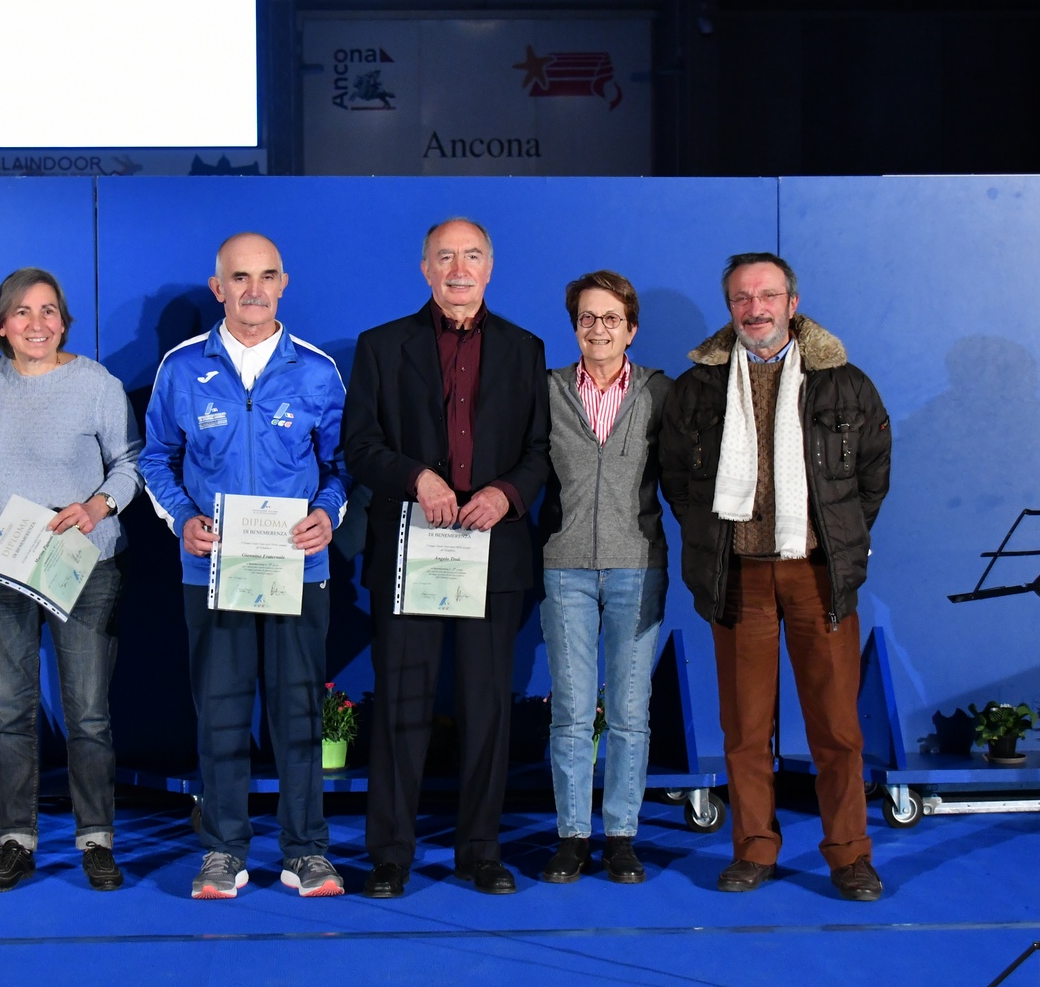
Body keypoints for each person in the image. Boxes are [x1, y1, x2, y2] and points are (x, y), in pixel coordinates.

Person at [661, 252, 891, 901]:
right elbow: (678, 481)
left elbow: (872, 477)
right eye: (741, 298)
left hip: (817, 574)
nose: (755, 309)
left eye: (767, 296)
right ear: (729, 308)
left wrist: (833, 538)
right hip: (737, 577)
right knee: (744, 729)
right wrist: (717, 540)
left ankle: (850, 855)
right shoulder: (696, 388)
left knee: (837, 728)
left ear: (793, 303)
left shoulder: (845, 383)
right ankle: (754, 849)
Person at [344, 218, 550, 897]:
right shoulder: (381, 346)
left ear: (490, 267)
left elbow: (540, 450)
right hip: (410, 550)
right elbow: (360, 445)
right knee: (401, 705)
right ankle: (390, 854)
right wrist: (416, 478)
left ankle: (480, 851)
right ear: (425, 268)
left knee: (487, 708)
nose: (459, 270)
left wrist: (506, 493)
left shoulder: (525, 349)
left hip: (495, 552)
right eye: (445, 257)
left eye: (472, 256)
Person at [140, 232, 350, 900]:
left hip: (298, 569)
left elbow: (344, 465)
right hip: (214, 570)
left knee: (298, 715)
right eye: (240, 277)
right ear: (218, 288)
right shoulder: (181, 367)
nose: (254, 290)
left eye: (266, 276)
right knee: (221, 714)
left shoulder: (317, 370)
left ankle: (305, 852)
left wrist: (329, 513)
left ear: (283, 284)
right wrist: (181, 518)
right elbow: (155, 459)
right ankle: (224, 850)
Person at [0, 268, 143, 893]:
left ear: (64, 322)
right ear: (1, 326)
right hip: (6, 566)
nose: (37, 323)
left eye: (49, 311)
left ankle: (96, 840)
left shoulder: (95, 383)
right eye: (22, 312)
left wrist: (98, 506)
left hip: (84, 563)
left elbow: (132, 461)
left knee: (88, 714)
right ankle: (16, 840)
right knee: (9, 712)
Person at [536, 271, 673, 885]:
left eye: (611, 318)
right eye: (587, 318)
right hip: (564, 565)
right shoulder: (547, 390)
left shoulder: (659, 392)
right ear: (574, 327)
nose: (599, 329)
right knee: (570, 709)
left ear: (631, 329)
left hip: (637, 568)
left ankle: (621, 837)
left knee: (629, 711)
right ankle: (572, 836)